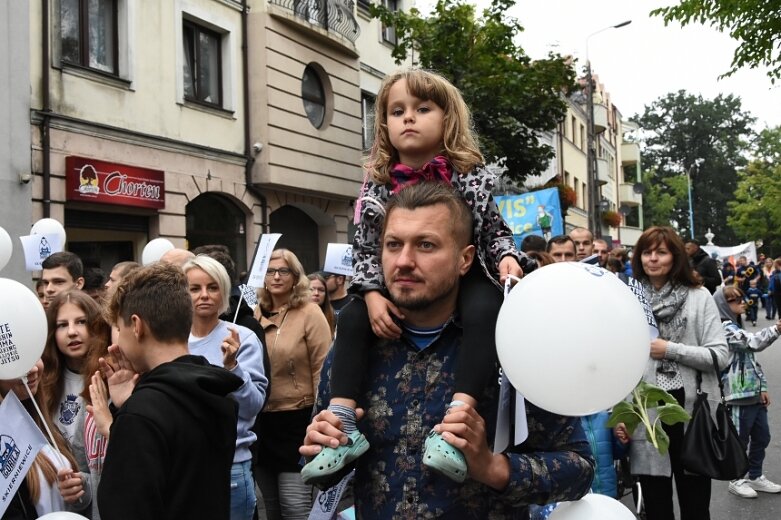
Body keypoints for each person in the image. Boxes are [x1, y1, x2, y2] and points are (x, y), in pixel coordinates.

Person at [300, 182, 594, 517]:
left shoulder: (514, 346)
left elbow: (579, 468)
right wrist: (319, 446)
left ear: (465, 259)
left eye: (426, 245)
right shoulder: (355, 347)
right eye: (393, 244)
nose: (404, 261)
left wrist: (493, 467)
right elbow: (324, 472)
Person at [302, 68, 532, 486]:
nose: (408, 118)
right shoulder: (375, 183)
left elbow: (496, 231)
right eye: (396, 111)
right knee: (351, 317)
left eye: (422, 108)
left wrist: (508, 259)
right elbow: (366, 247)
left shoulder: (471, 176)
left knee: (485, 309)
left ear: (448, 119)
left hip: (472, 277)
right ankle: (341, 426)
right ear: (384, 124)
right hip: (383, 293)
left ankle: (458, 419)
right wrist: (371, 294)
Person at [98, 262, 243, 520]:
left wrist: (124, 420)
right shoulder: (214, 391)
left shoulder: (141, 415)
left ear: (136, 325)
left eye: (119, 329)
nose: (117, 339)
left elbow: (127, 507)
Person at [618, 226, 729, 520]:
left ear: (676, 256)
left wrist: (670, 349)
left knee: (695, 505)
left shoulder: (699, 296)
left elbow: (720, 355)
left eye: (661, 252)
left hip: (693, 414)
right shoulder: (628, 297)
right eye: (646, 252)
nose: (652, 259)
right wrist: (621, 413)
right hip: (647, 415)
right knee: (655, 507)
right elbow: (617, 361)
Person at [182, 255, 268, 520]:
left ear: (224, 292)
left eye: (212, 287)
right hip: (183, 467)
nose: (204, 295)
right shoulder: (172, 338)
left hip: (229, 466)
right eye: (194, 288)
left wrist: (232, 369)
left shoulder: (242, 338)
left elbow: (254, 406)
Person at [254, 249, 331, 520]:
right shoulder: (254, 314)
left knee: (295, 506)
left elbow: (324, 368)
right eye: (270, 270)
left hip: (298, 420)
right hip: (261, 421)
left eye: (283, 271)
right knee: (268, 508)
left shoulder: (310, 313)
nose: (276, 276)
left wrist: (320, 419)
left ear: (295, 277)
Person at [714, 286, 781, 499]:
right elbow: (751, 343)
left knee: (762, 437)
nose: (741, 304)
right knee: (740, 441)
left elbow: (752, 361)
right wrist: (776, 329)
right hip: (737, 395)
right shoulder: (723, 328)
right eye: (735, 301)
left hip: (752, 393)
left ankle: (755, 475)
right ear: (724, 305)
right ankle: (736, 479)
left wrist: (762, 386)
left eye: (740, 299)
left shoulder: (735, 325)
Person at [1, 360, 89, 519]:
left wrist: (78, 494)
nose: (33, 368)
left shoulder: (43, 421)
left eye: (33, 356)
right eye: (16, 361)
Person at [308, 272, 336, 337]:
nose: (316, 293)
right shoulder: (294, 315)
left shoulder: (333, 317)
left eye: (321, 290)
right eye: (311, 289)